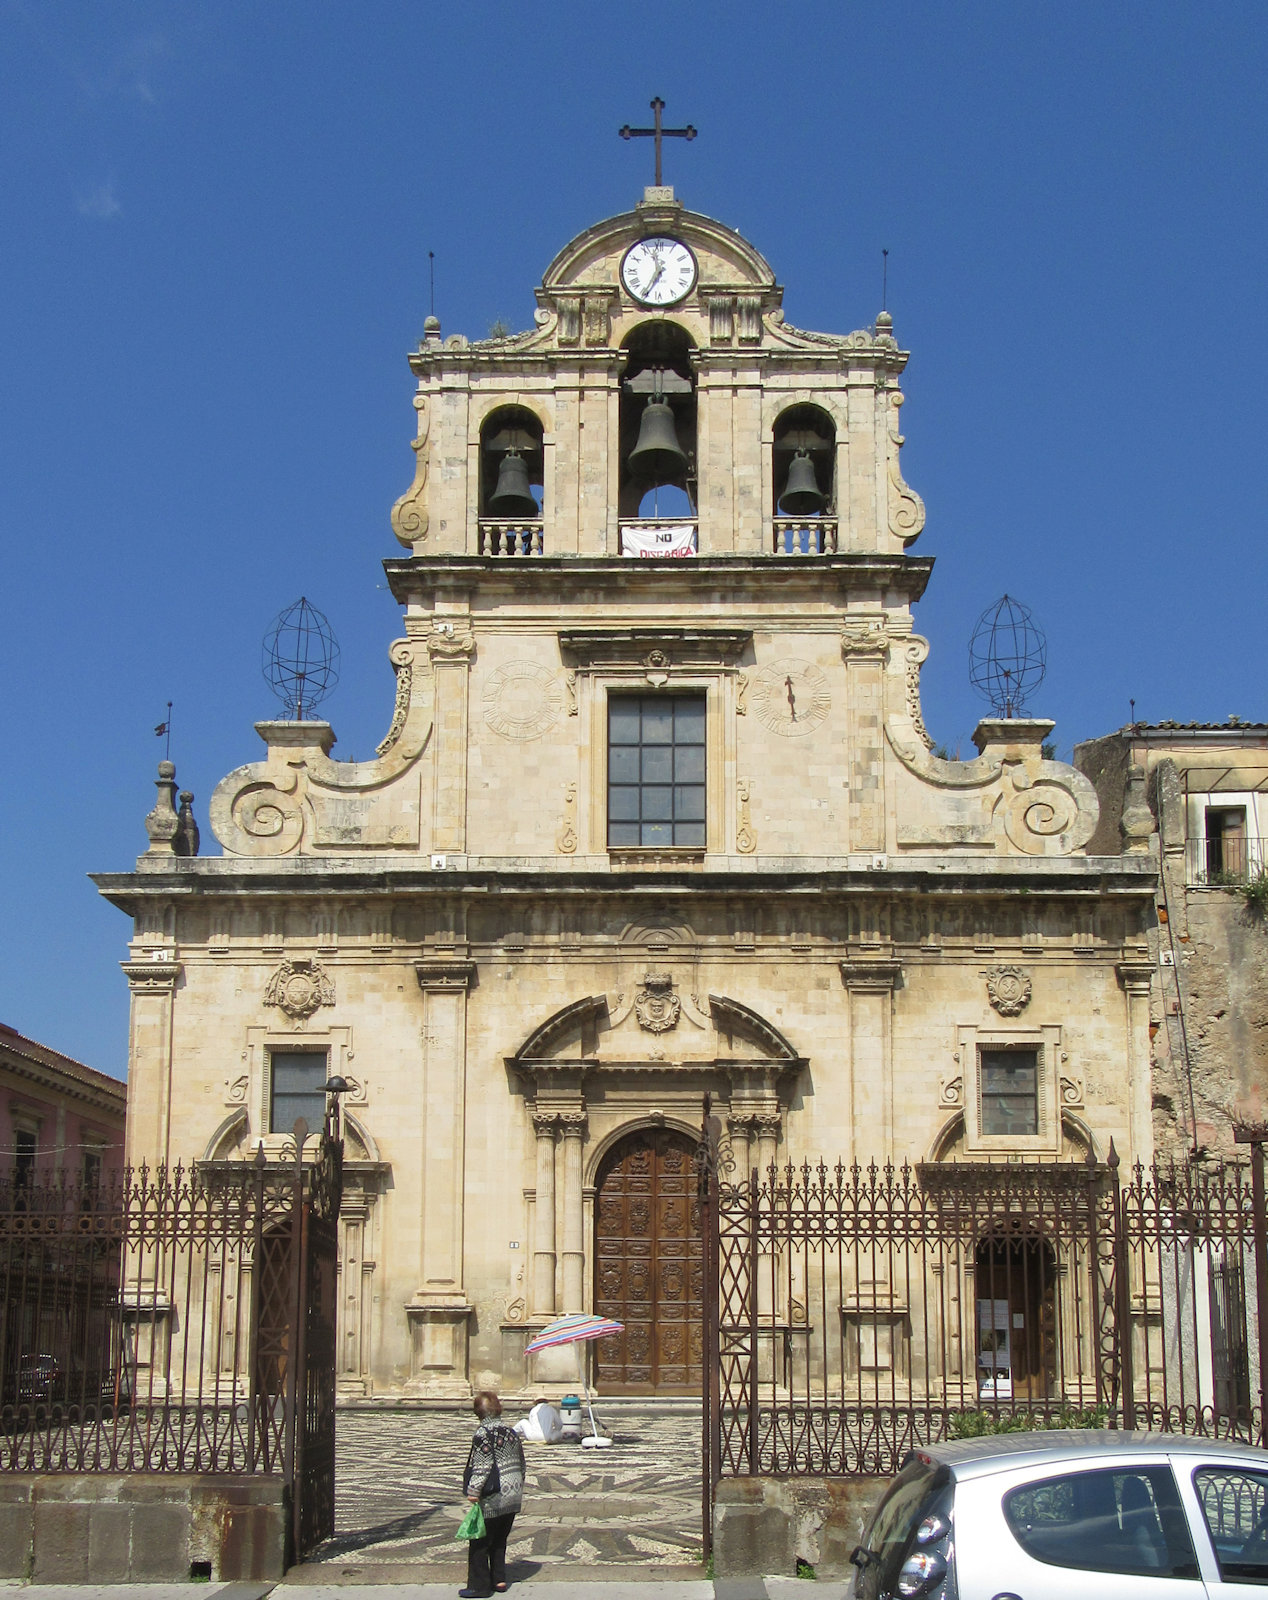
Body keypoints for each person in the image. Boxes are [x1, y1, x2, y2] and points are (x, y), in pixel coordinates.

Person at [460, 1390, 526, 1598]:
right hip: (513, 1493)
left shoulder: (482, 1434)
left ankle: (479, 1587)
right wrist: (517, 1485)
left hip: (494, 1495)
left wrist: (473, 1491)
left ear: (478, 1412)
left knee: (480, 1541)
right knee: (499, 1540)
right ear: (497, 1409)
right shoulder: (510, 1431)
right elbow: (522, 1463)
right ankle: (499, 1580)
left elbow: (482, 1467)